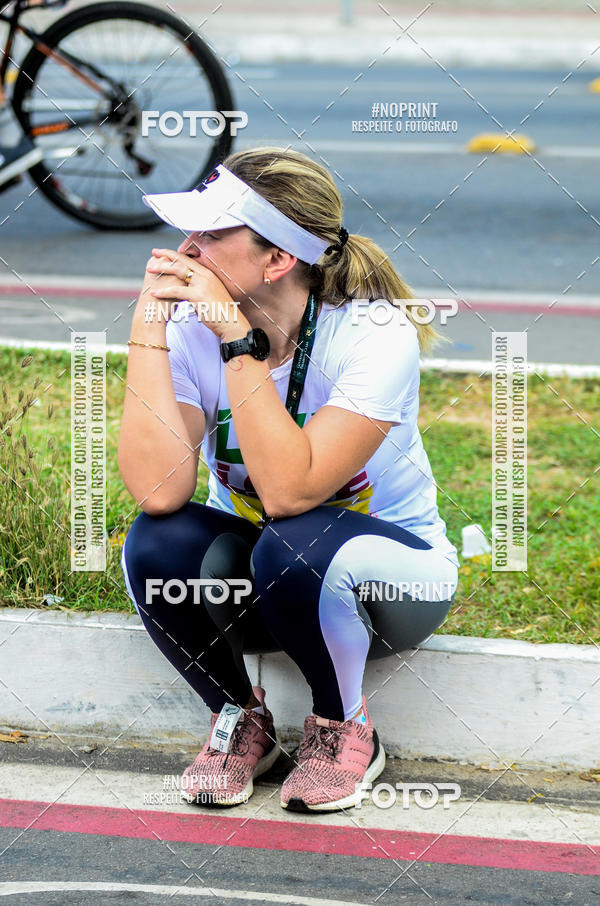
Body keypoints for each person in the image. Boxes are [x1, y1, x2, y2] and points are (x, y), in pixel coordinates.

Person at [118, 146, 459, 813]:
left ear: (277, 259)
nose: (187, 249)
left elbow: (289, 494)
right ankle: (240, 719)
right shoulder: (190, 327)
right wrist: (148, 331)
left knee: (293, 537)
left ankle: (343, 727)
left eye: (213, 234)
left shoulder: (372, 332)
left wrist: (236, 341)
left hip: (390, 588)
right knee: (158, 542)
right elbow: (160, 490)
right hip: (263, 588)